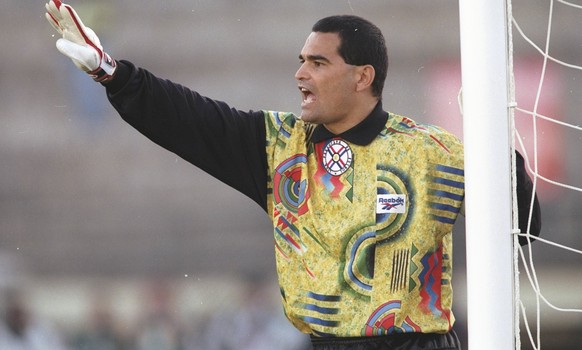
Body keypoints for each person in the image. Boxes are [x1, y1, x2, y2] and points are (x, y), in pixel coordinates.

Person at [45, 1, 541, 349]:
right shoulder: (278, 148)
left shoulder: (433, 152)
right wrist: (111, 72)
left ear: (362, 76)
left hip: (416, 345)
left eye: (318, 63)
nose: (300, 74)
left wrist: (504, 155)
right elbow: (188, 118)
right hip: (321, 344)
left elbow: (524, 229)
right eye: (301, 61)